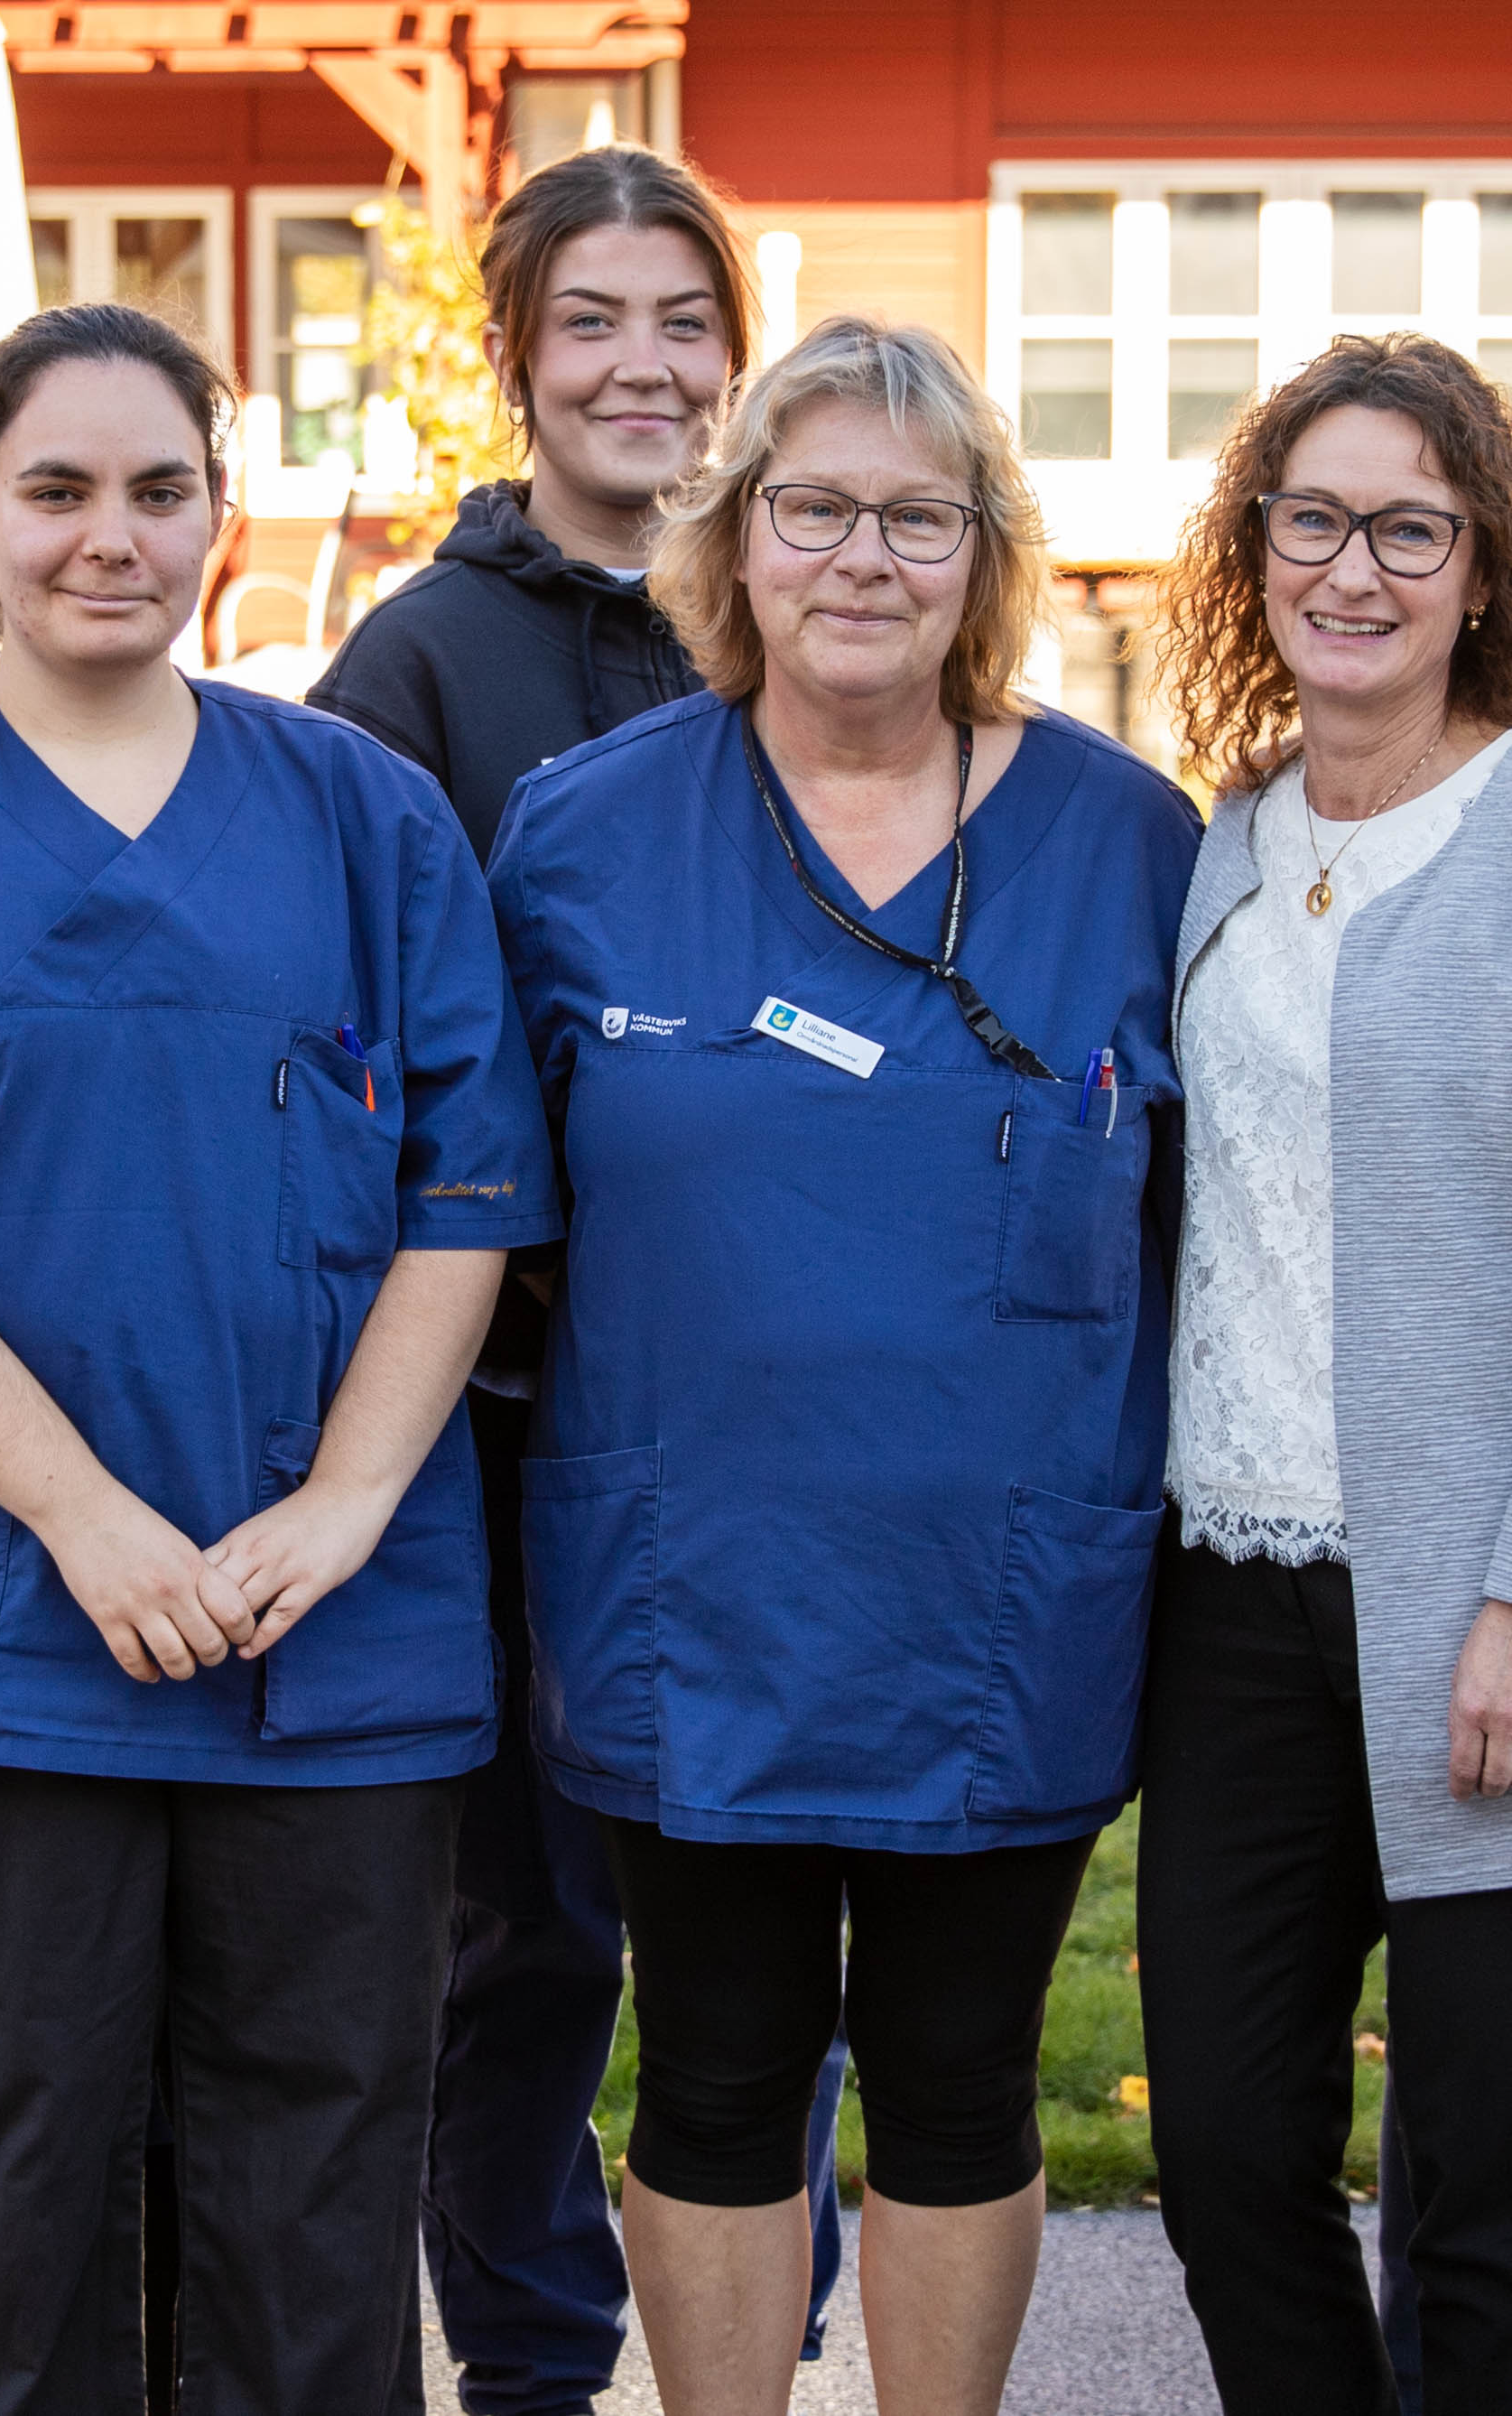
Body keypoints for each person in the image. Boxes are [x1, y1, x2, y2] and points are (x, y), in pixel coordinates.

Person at [0, 302, 559, 2414]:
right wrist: (86, 1521)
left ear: (226, 507)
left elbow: (466, 1193)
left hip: (329, 1643)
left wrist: (351, 1505)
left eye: (161, 490)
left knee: (318, 2218)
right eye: (63, 490)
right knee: (13, 2217)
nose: (116, 537)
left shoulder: (367, 823)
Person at [484, 314, 1195, 2416]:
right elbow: (480, 1223)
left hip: (1006, 1590)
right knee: (710, 2067)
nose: (862, 558)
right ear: (732, 539)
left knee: (962, 2078)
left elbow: (1206, 1219)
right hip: (691, 1583)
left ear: (989, 558)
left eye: (918, 515)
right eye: (812, 509)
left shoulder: (1136, 847)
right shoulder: (583, 837)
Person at [306, 147, 855, 2414]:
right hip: (519, 1427)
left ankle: (762, 2347)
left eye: (684, 320)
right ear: (519, 358)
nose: (646, 364)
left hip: (781, 1421)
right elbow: (350, 1056)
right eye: (593, 322)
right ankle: (536, 2367)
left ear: (737, 353)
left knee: (779, 1933)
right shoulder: (423, 666)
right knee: (524, 1947)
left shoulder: (819, 609)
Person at [1136, 331, 1512, 2416]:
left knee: (1483, 2194)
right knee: (1220, 2155)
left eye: (1410, 528)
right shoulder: (1229, 837)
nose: (1354, 570)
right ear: (1256, 548)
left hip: (1482, 1610)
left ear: (1486, 567)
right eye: (1315, 521)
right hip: (1234, 1595)